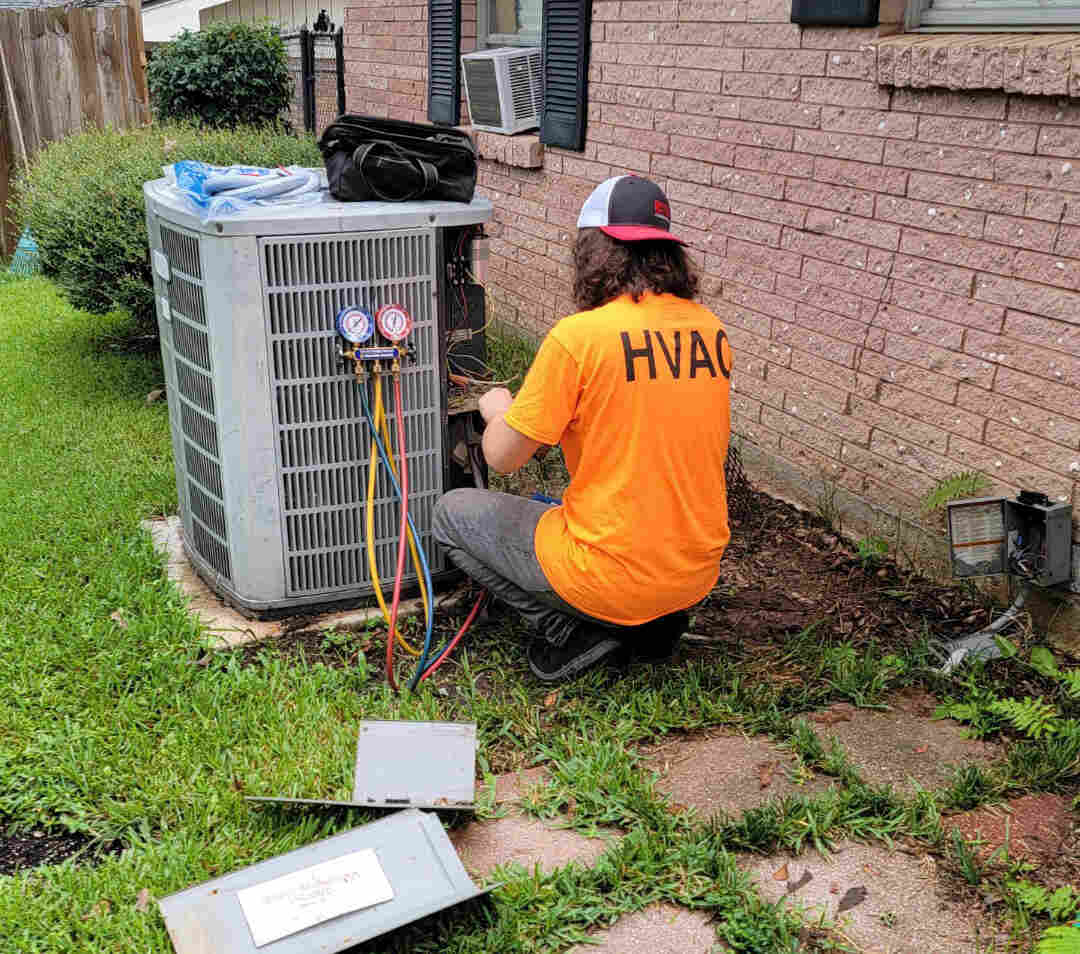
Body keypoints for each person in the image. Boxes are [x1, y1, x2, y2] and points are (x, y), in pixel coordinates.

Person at [433, 175, 733, 682]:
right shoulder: (711, 331)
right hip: (694, 573)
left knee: (450, 513)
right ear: (668, 255)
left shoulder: (580, 338)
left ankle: (571, 629)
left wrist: (497, 408)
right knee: (556, 507)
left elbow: (504, 458)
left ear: (594, 253)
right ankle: (654, 624)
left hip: (612, 577)